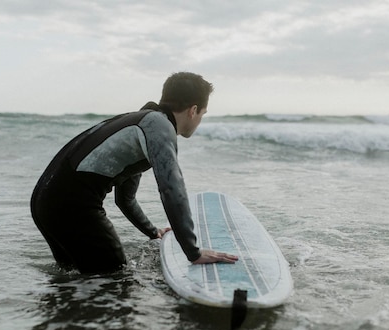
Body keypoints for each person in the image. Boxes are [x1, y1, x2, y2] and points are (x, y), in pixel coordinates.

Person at [30, 72, 239, 273]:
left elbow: (125, 199)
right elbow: (172, 188)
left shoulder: (141, 122)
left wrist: (152, 231)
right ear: (193, 110)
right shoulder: (159, 127)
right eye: (203, 113)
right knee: (115, 277)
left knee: (74, 279)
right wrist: (193, 252)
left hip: (45, 202)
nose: (200, 119)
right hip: (72, 205)